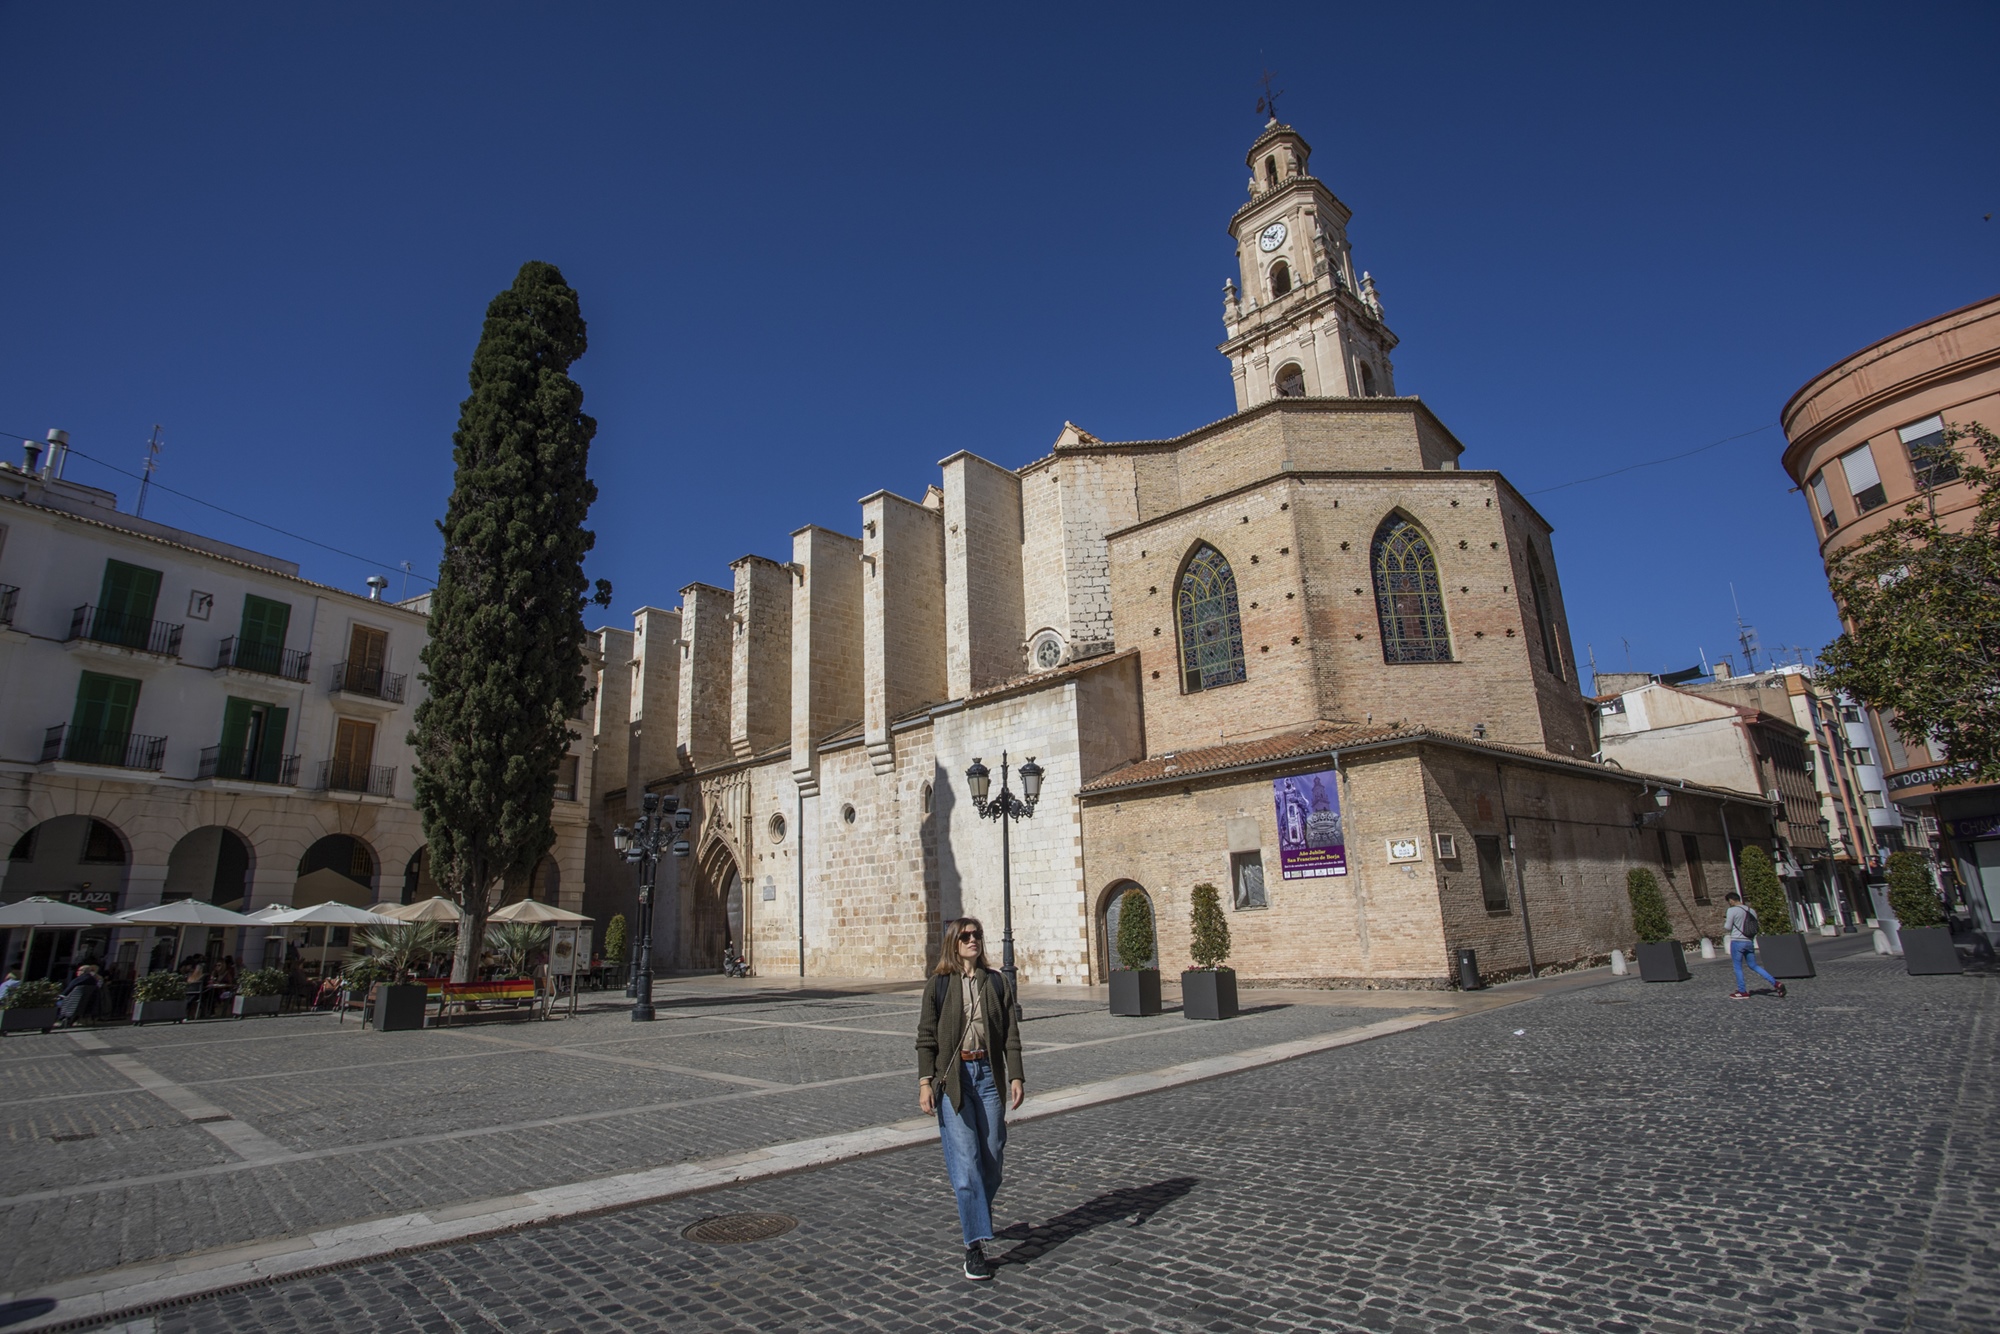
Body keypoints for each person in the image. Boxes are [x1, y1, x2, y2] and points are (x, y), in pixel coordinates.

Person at [915, 916, 1025, 1281]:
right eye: (966, 936)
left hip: (988, 1078)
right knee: (966, 1165)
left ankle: (977, 1212)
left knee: (992, 1156)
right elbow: (926, 1036)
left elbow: (1010, 1032)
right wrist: (925, 1082)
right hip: (955, 1082)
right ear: (953, 943)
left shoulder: (995, 982)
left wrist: (1016, 1075)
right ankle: (974, 1246)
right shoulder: (939, 985)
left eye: (977, 934)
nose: (973, 940)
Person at [1723, 891, 1785, 1000]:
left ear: (1731, 900)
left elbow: (1727, 927)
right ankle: (1776, 983)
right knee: (1754, 965)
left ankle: (1742, 991)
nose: (1729, 903)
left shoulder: (1732, 910)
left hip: (1737, 941)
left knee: (1737, 967)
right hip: (1749, 941)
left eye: (1729, 902)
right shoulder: (1751, 910)